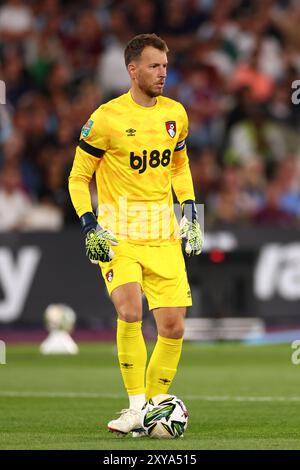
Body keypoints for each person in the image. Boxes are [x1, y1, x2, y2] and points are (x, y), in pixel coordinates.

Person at [68, 33, 203, 437]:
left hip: (162, 233)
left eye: (165, 65)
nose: (162, 73)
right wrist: (89, 223)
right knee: (129, 310)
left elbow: (179, 166)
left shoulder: (176, 114)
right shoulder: (106, 118)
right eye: (153, 66)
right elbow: (78, 178)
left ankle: (151, 408)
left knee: (174, 328)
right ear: (132, 69)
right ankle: (135, 406)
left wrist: (191, 212)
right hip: (118, 230)